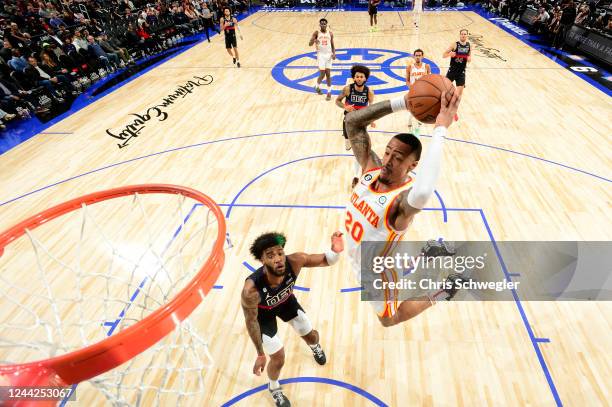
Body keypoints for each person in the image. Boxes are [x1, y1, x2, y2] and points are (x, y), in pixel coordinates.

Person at [343, 89, 464, 327]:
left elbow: (422, 192)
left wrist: (440, 129)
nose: (387, 160)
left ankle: (442, 292)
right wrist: (403, 102)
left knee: (389, 319)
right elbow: (352, 122)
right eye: (387, 152)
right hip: (358, 256)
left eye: (397, 158)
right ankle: (426, 254)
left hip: (377, 274)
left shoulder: (401, 201)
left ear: (412, 165)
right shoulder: (371, 169)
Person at [241, 231, 344, 407]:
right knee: (278, 358)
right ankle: (274, 387)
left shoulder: (296, 261)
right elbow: (251, 322)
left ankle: (315, 347)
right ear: (262, 260)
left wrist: (335, 250)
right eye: (270, 255)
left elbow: (326, 260)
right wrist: (259, 353)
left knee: (311, 336)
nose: (278, 259)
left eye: (280, 253)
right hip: (263, 315)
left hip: (286, 303)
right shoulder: (251, 290)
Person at [336, 65, 375, 188]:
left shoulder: (369, 92)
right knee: (348, 144)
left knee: (357, 151)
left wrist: (371, 120)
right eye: (357, 76)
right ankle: (346, 139)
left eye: (361, 76)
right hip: (348, 120)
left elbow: (370, 108)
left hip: (361, 122)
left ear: (365, 78)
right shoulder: (347, 89)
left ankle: (356, 176)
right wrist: (345, 107)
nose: (359, 78)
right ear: (353, 77)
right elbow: (337, 101)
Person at [405, 48, 431, 136]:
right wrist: (411, 87)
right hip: (414, 92)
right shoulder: (409, 67)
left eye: (420, 55)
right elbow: (407, 81)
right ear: (414, 56)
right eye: (416, 55)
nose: (418, 57)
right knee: (412, 109)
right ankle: (409, 126)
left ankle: (418, 128)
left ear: (422, 56)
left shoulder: (426, 66)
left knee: (422, 110)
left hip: (424, 92)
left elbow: (429, 79)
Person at [309, 18, 335, 101]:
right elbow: (310, 44)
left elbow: (332, 45)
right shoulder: (316, 33)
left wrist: (334, 53)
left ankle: (329, 92)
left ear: (326, 24)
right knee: (322, 74)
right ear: (319, 25)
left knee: (328, 74)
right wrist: (314, 40)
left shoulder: (330, 33)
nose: (323, 25)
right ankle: (317, 86)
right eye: (322, 23)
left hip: (329, 55)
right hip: (321, 55)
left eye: (324, 23)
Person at [442, 29, 471, 95]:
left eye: (465, 34)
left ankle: (453, 104)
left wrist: (469, 58)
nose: (463, 35)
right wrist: (449, 54)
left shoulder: (469, 45)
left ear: (467, 35)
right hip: (452, 70)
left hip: (461, 72)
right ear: (460, 35)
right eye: (462, 34)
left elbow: (469, 56)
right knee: (445, 90)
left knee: (459, 94)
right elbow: (443, 55)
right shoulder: (454, 44)